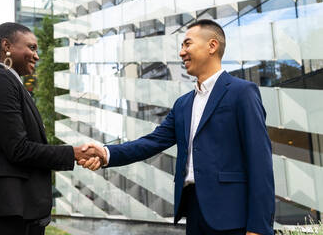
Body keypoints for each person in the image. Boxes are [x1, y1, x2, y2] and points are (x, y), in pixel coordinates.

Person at [80, 19, 275, 235]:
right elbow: (151, 142)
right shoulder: (183, 104)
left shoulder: (242, 92)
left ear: (212, 46)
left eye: (187, 44)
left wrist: (259, 228)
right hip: (194, 215)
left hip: (233, 220)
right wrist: (106, 152)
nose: (181, 53)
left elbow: (260, 163)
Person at [0, 22, 103, 235]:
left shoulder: (14, 84)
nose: (37, 56)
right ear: (6, 46)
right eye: (31, 47)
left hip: (18, 211)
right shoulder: (0, 80)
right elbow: (18, 148)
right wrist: (74, 152)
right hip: (4, 212)